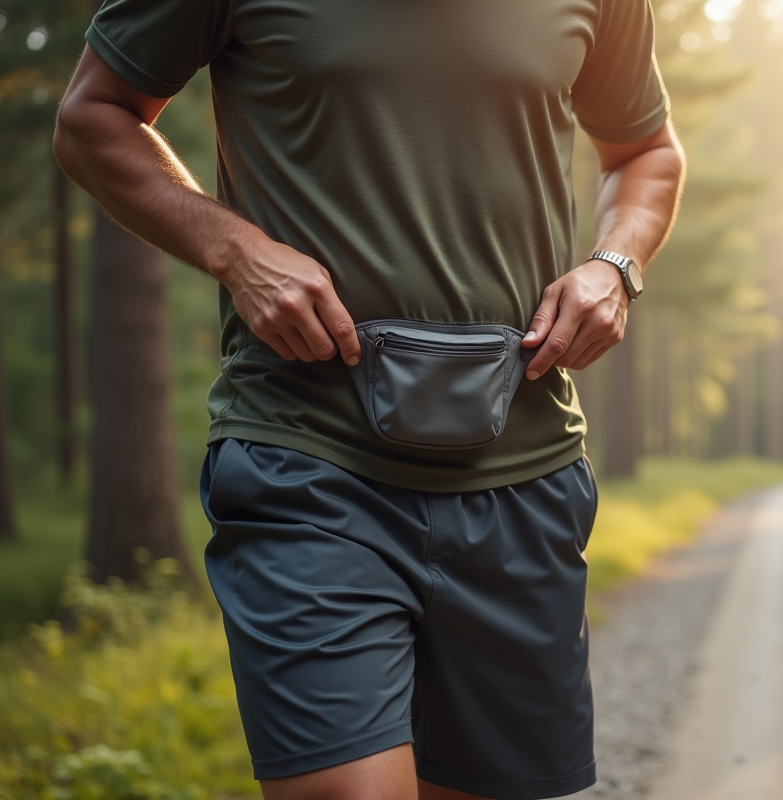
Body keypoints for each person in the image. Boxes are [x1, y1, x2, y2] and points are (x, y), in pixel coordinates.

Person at [53, 1, 685, 797]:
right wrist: (237, 249)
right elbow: (92, 116)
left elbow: (646, 151)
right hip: (307, 459)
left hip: (523, 472)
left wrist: (614, 267)